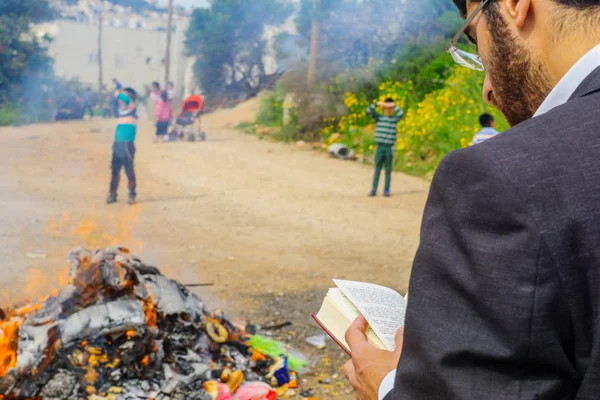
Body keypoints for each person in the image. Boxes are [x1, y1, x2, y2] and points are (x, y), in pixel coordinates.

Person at [343, 0, 600, 399]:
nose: (488, 90)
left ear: (515, 5)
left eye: (475, 43)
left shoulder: (505, 177)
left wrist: (389, 387)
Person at [366, 98, 404, 197]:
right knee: (377, 169)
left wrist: (393, 105)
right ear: (383, 109)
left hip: (389, 148)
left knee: (388, 170)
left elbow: (401, 114)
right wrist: (378, 104)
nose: (388, 110)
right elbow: (369, 111)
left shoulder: (394, 120)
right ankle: (374, 189)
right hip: (379, 147)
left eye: (390, 109)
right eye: (387, 109)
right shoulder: (379, 118)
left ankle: (386, 190)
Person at [107, 88, 138, 206]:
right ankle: (112, 194)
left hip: (127, 144)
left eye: (124, 97)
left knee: (129, 170)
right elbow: (119, 101)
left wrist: (117, 92)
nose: (120, 100)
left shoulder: (132, 109)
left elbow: (124, 98)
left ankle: (132, 194)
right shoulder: (122, 111)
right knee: (115, 171)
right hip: (117, 144)